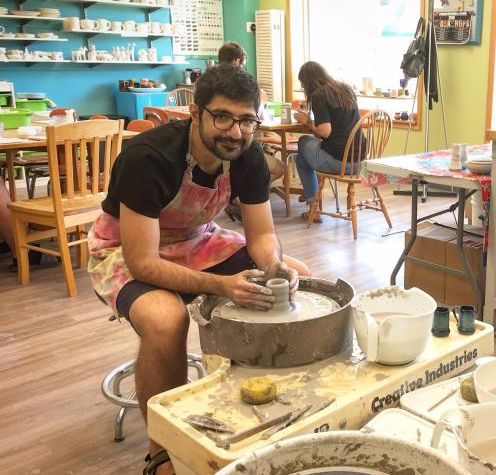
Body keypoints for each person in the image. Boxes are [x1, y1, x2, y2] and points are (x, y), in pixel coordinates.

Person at [87, 65, 310, 474]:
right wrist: (222, 285)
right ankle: (161, 451)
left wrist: (273, 265)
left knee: (297, 274)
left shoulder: (249, 157)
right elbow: (142, 262)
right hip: (124, 247)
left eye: (246, 120)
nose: (234, 131)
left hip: (195, 237)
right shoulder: (148, 158)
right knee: (166, 319)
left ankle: (260, 406)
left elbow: (261, 235)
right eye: (222, 116)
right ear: (196, 113)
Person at [217, 41, 286, 223]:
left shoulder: (211, 83)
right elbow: (258, 118)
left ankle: (233, 197)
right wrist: (261, 100)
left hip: (214, 155)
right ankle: (244, 200)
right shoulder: (244, 86)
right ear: (238, 62)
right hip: (239, 153)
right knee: (279, 168)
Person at [293, 61, 364, 222]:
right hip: (359, 160)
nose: (304, 89)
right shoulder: (345, 89)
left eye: (303, 85)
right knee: (302, 158)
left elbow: (325, 131)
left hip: (340, 162)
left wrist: (307, 121)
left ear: (309, 82)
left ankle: (314, 206)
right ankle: (312, 199)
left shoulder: (319, 95)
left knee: (303, 142)